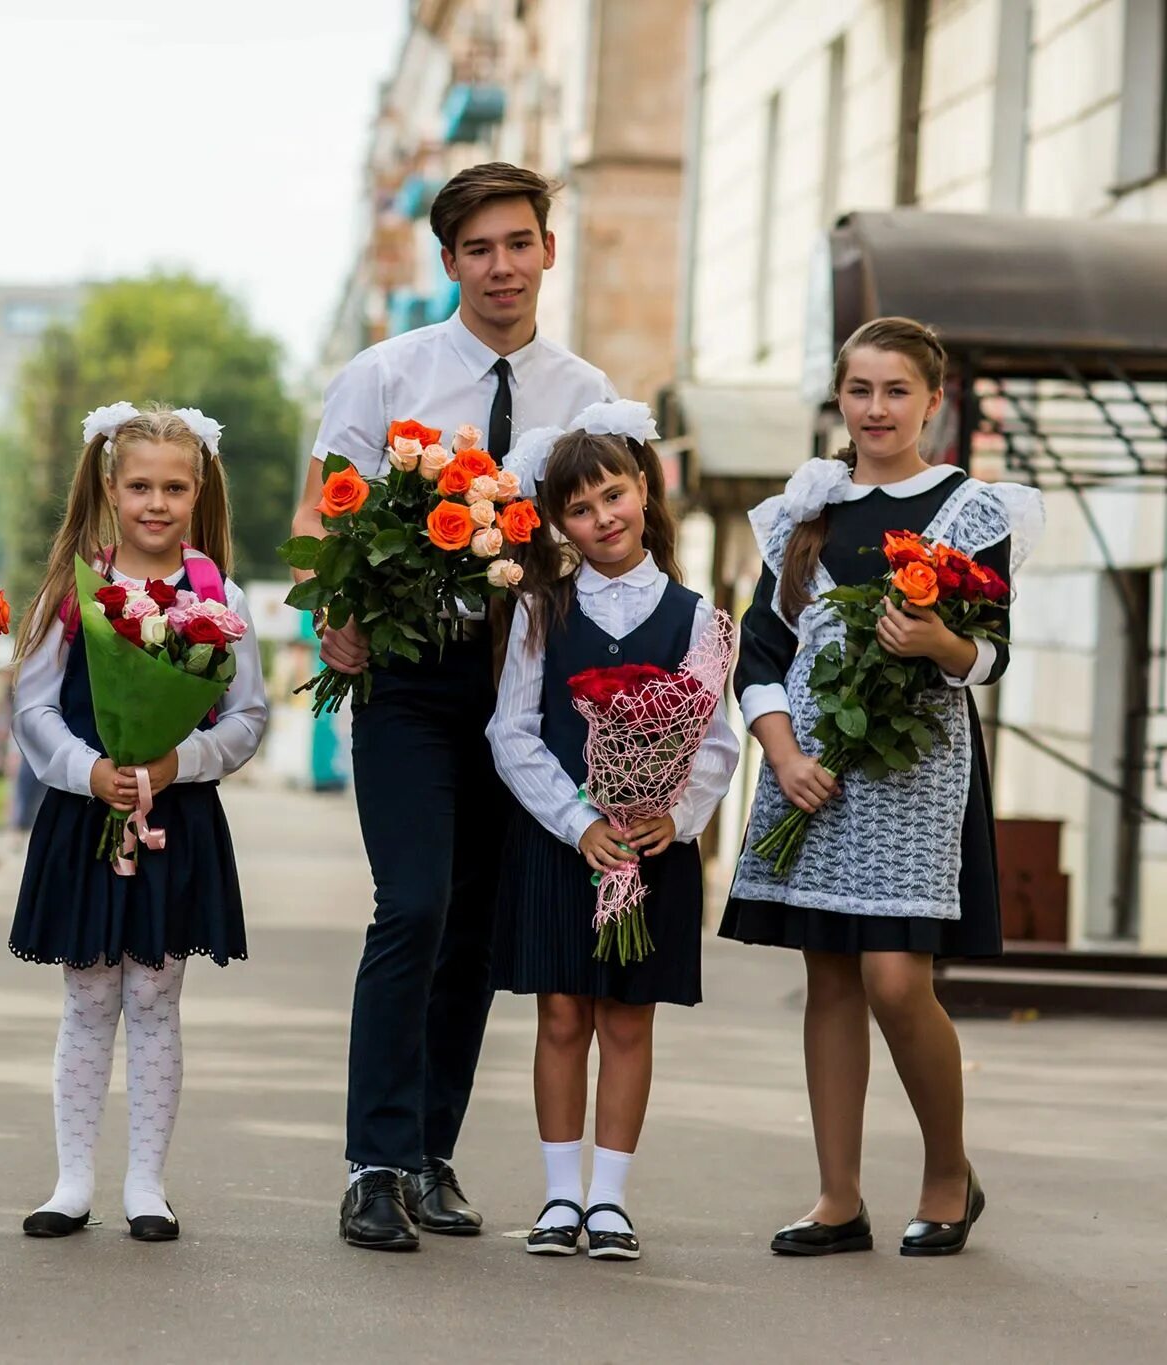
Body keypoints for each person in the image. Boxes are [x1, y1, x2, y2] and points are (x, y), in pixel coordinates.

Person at [293, 161, 614, 1250]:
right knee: (414, 906)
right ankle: (369, 1164)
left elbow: (605, 537)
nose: (500, 267)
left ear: (545, 253)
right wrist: (332, 612)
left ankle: (429, 1155)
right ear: (447, 265)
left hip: (522, 688)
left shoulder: (586, 392)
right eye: (476, 249)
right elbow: (317, 526)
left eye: (517, 243)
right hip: (407, 683)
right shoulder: (384, 375)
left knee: (475, 929)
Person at [722, 317, 1042, 1257]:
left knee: (897, 981)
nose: (875, 409)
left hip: (914, 773)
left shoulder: (975, 512)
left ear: (933, 402)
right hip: (808, 772)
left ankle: (950, 1172)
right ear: (841, 397)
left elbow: (991, 654)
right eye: (859, 390)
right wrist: (780, 754)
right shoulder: (802, 513)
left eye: (896, 390)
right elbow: (761, 652)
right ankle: (837, 1198)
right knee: (829, 980)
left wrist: (938, 642)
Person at [8, 403, 267, 1242]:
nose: (158, 502)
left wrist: (171, 764)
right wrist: (91, 771)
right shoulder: (73, 588)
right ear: (110, 488)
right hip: (86, 817)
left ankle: (146, 1184)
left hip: (175, 817)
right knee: (88, 994)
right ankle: (72, 1178)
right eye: (141, 486)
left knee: (155, 994)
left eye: (176, 487)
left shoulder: (216, 595)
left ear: (200, 492)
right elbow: (34, 703)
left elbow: (247, 717)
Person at [488, 405, 739, 1261]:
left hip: (654, 849)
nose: (603, 517)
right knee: (561, 1013)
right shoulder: (540, 610)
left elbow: (716, 739)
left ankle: (611, 1199)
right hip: (567, 845)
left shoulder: (699, 618)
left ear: (644, 491)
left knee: (629, 1018)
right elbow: (512, 731)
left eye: (614, 494)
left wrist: (678, 814)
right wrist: (578, 819)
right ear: (559, 523)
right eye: (581, 508)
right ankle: (560, 1196)